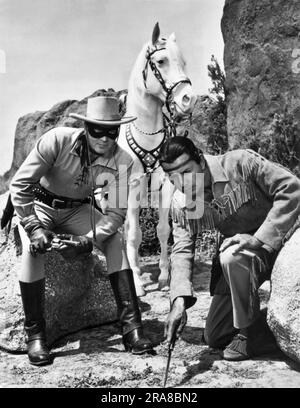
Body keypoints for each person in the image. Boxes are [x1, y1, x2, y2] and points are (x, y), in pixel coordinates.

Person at [9, 96, 154, 366]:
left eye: (112, 130)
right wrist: (33, 226)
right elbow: (19, 186)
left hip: (79, 210)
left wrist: (86, 242)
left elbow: (116, 214)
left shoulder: (123, 160)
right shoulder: (57, 140)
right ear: (86, 127)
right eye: (97, 129)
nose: (104, 137)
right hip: (41, 203)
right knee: (34, 248)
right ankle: (36, 336)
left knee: (114, 238)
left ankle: (132, 330)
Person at [159, 136, 300, 361]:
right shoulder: (184, 204)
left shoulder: (240, 163)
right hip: (246, 260)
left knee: (231, 256)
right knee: (216, 336)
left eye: (186, 172)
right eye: (172, 176)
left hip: (286, 240)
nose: (182, 183)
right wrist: (178, 301)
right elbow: (182, 250)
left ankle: (249, 336)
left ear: (201, 161)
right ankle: (268, 324)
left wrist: (258, 238)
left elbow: (291, 188)